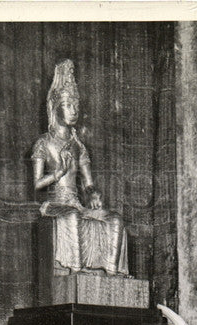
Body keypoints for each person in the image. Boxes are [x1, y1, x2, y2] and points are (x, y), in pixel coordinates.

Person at [32, 59, 128, 277]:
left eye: (75, 105)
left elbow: (88, 182)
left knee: (115, 219)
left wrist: (93, 193)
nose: (73, 111)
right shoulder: (44, 143)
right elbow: (37, 184)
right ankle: (76, 269)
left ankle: (111, 271)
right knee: (73, 216)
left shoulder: (79, 147)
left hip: (76, 202)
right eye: (67, 105)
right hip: (55, 204)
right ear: (55, 109)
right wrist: (56, 174)